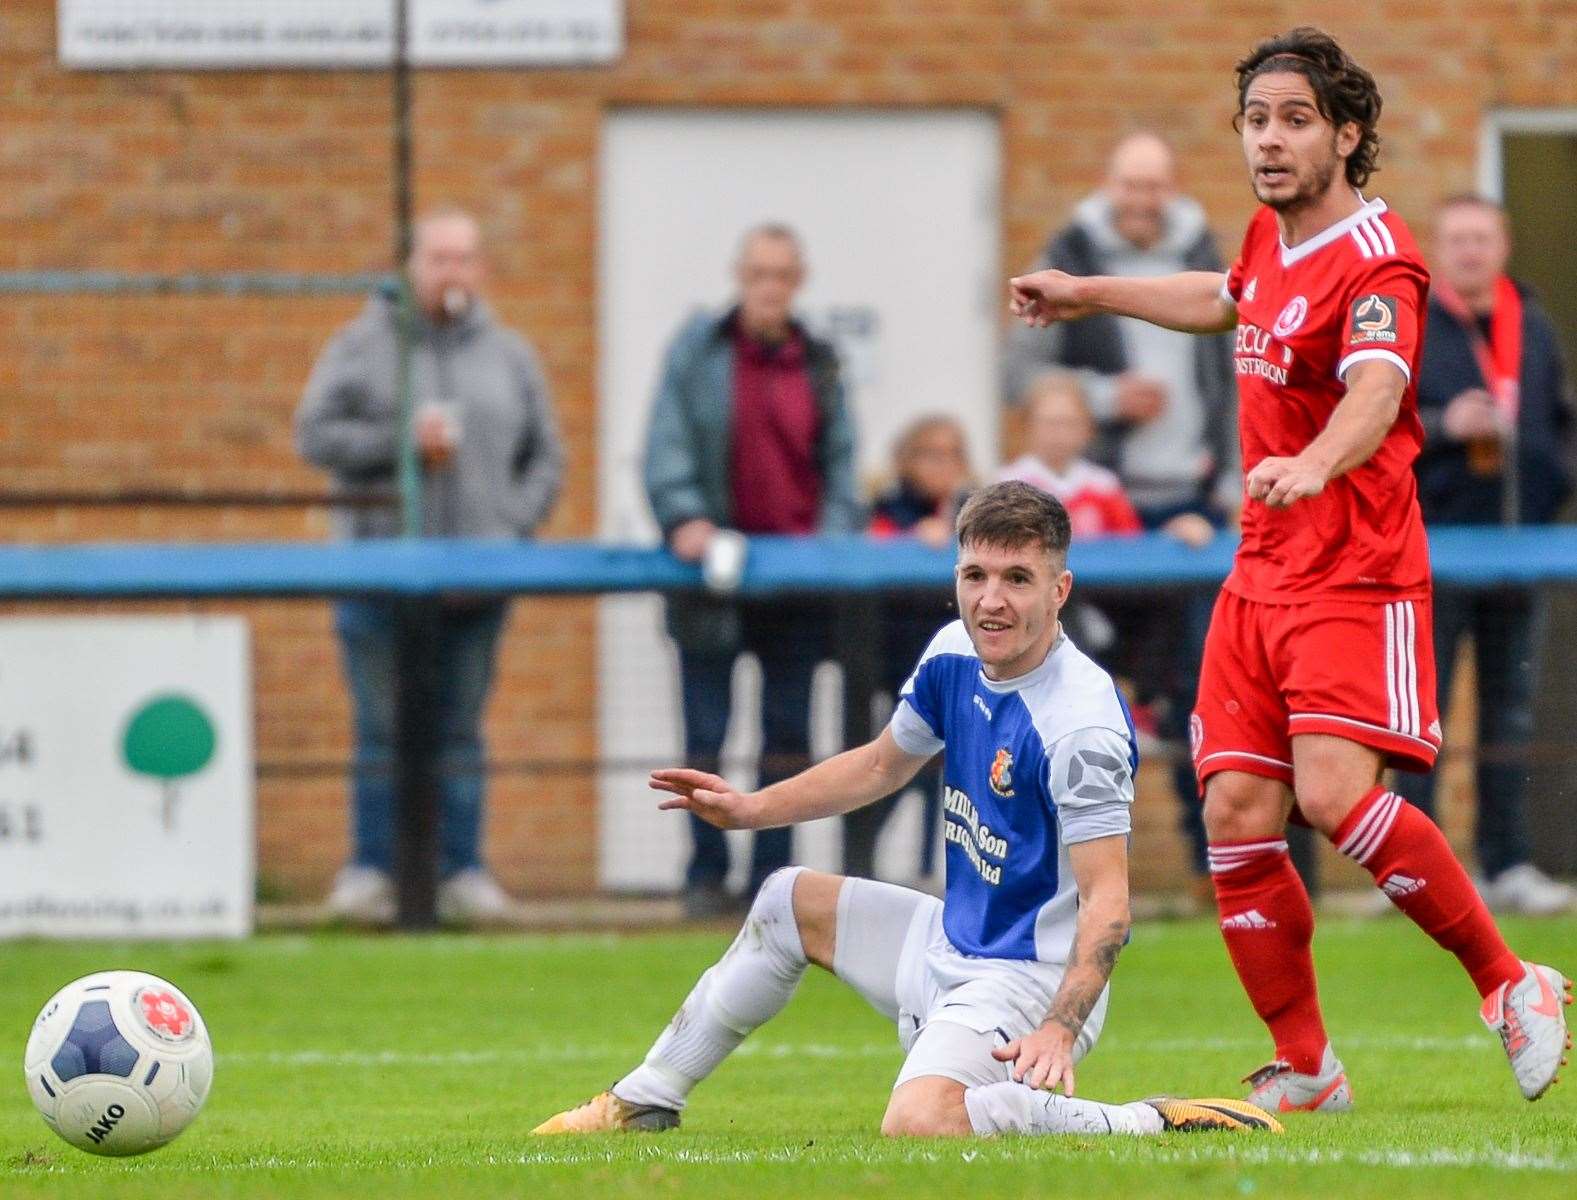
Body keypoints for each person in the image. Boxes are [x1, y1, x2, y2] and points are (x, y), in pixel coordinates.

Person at [1009, 27, 1572, 1111]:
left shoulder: (1381, 255)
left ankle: (1511, 985)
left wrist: (1309, 462)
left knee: (1328, 793)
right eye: (1255, 121)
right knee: (1232, 809)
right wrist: (1087, 292)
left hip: (1352, 566)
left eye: (1294, 119)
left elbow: (1372, 389)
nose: (1267, 140)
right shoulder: (1268, 241)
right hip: (1259, 570)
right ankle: (1306, 1065)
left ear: (1346, 134)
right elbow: (1221, 297)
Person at [533, 482, 1281, 1138]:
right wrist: (750, 808)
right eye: (975, 575)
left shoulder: (1079, 725)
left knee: (920, 1122)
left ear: (1059, 591)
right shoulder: (955, 648)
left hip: (1024, 978)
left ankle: (1149, 1120)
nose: (991, 600)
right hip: (945, 945)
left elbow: (1109, 903)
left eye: (1018, 579)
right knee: (787, 901)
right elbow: (882, 764)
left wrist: (1058, 1027)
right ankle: (642, 1102)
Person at [296, 207, 563, 926]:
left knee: (460, 733)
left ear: (480, 269)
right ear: (411, 265)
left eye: (464, 258)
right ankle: (371, 873)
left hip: (477, 583)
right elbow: (313, 434)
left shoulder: (508, 354)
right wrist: (397, 441)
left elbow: (546, 456)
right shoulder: (363, 344)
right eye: (438, 258)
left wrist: (509, 527)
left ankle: (461, 873)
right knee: (380, 730)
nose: (452, 271)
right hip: (377, 575)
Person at [643, 224, 861, 919]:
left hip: (795, 583)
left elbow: (841, 466)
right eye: (758, 273)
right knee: (705, 734)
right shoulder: (696, 353)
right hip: (710, 580)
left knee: (788, 737)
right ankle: (703, 876)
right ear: (740, 276)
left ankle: (772, 879)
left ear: (797, 281)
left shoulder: (821, 361)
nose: (769, 286)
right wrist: (682, 518)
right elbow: (665, 443)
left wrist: (827, 543)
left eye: (782, 274)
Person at [1391, 196, 1575, 916]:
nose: (1469, 251)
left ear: (1501, 246)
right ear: (1439, 249)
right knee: (1419, 718)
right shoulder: (1410, 325)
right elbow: (1380, 422)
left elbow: (1559, 420)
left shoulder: (1531, 323)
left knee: (1512, 713)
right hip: (1430, 552)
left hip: (1519, 552)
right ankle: (1414, 872)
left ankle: (1507, 864)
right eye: (1456, 240)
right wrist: (1443, 425)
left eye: (1481, 239)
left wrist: (1552, 491)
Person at [849, 415, 974, 883]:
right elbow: (871, 548)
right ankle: (859, 860)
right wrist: (916, 539)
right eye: (931, 455)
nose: (944, 466)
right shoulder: (888, 508)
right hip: (892, 660)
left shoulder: (971, 508)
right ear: (906, 461)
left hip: (959, 666)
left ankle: (940, 872)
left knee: (951, 768)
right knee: (894, 764)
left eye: (953, 455)